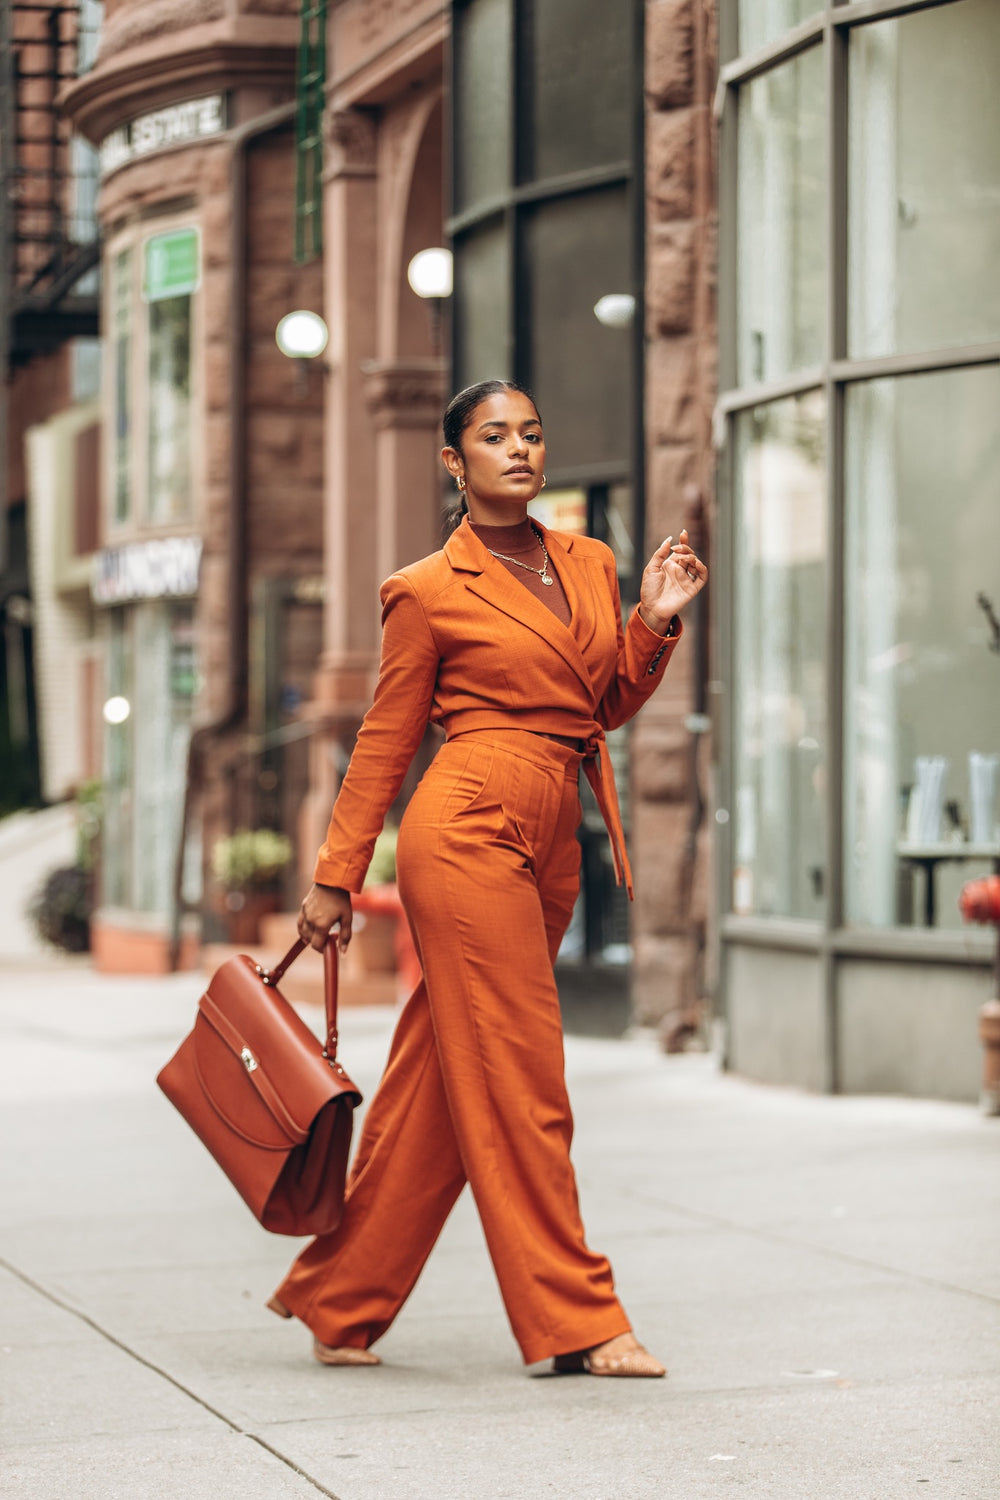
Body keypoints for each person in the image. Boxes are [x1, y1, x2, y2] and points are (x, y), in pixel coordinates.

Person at [268, 379, 707, 1377]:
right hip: (467, 823)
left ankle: (341, 1298)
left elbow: (597, 704)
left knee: (440, 1083)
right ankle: (577, 1319)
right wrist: (336, 875)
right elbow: (384, 739)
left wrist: (651, 621)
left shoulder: (588, 561)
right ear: (453, 463)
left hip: (554, 826)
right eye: (494, 436)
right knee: (524, 1075)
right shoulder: (424, 589)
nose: (519, 449)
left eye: (532, 434)